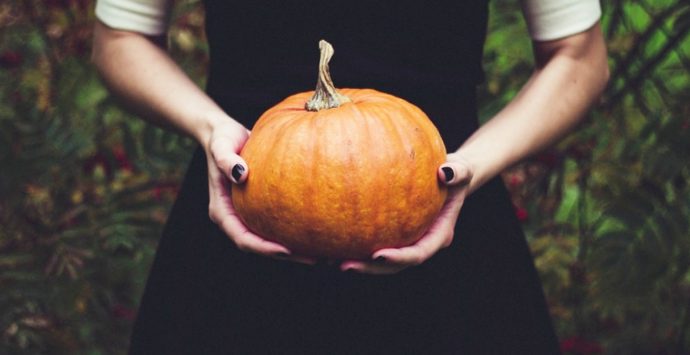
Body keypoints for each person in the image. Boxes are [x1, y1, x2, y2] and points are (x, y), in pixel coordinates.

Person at [92, 0, 608, 353]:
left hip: (446, 216)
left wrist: (471, 165)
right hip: (243, 207)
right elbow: (120, 38)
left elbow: (579, 56)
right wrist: (210, 129)